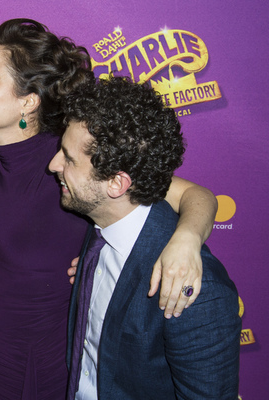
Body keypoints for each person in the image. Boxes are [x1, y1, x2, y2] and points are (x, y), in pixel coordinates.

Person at [0, 19, 218, 399]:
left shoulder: (68, 160)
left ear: (28, 101)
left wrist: (186, 239)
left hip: (45, 353)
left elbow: (195, 195)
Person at [51, 76, 240, 399]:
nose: (53, 164)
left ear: (116, 184)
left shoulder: (195, 290)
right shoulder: (102, 219)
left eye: (68, 158)